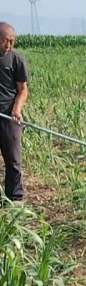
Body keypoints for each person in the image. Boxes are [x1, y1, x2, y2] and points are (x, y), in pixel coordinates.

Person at [0, 22, 28, 204]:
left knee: (13, 160)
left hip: (8, 117)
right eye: (5, 41)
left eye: (12, 41)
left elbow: (23, 90)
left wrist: (17, 109)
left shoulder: (16, 60)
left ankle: (15, 199)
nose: (9, 45)